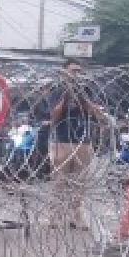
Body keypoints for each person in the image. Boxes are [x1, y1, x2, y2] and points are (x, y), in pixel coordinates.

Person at [45, 59, 104, 228]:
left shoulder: (87, 90)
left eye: (79, 71)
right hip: (61, 141)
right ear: (65, 73)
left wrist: (83, 100)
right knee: (59, 182)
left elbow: (95, 112)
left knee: (79, 183)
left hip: (83, 141)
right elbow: (54, 116)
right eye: (73, 71)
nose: (76, 75)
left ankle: (76, 216)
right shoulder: (57, 90)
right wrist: (65, 97)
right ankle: (54, 216)